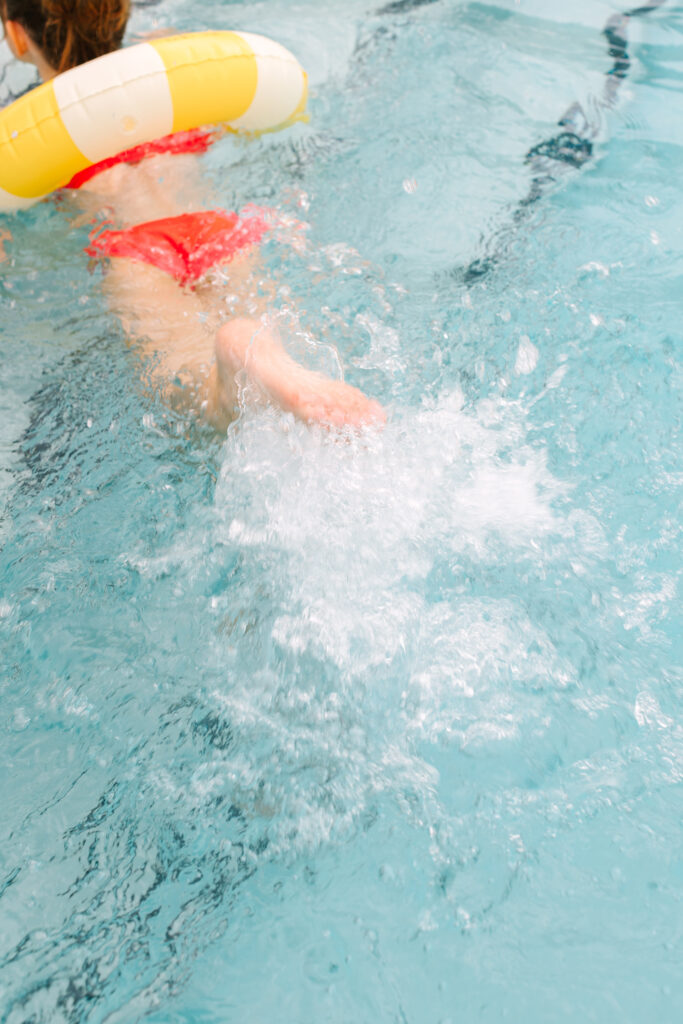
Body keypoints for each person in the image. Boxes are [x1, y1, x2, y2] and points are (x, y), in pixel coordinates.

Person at [0, 0, 385, 431]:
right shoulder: (172, 68)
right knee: (282, 347)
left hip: (136, 252)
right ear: (120, 12)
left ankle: (240, 353)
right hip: (217, 229)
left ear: (16, 35)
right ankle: (261, 353)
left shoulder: (25, 134)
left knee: (206, 405)